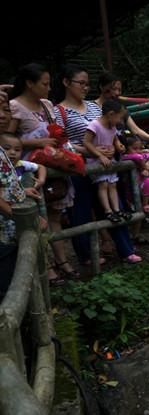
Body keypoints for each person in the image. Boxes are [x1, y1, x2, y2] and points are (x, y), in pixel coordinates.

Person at [54, 64, 141, 265]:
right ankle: (86, 256)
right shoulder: (59, 111)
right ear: (67, 83)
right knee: (81, 211)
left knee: (114, 206)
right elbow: (62, 143)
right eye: (81, 83)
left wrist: (112, 147)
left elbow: (109, 129)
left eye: (87, 84)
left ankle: (126, 250)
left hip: (104, 165)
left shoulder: (95, 107)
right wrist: (91, 150)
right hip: (80, 167)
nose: (85, 88)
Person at [8, 63, 77, 283]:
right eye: (45, 84)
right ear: (30, 84)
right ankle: (45, 268)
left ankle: (62, 261)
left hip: (54, 166)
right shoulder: (15, 106)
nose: (49, 89)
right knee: (37, 218)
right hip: (31, 170)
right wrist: (39, 141)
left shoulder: (47, 105)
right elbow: (7, 141)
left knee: (55, 214)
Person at [1, 91, 46, 296]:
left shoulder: (2, 150)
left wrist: (19, 190)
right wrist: (29, 220)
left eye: (5, 109)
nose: (2, 115)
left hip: (9, 233)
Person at [82, 99, 131, 225]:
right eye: (119, 118)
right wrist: (99, 155)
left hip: (109, 160)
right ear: (111, 114)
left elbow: (114, 139)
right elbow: (86, 142)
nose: (120, 122)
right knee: (103, 184)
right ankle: (108, 211)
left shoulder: (112, 126)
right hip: (96, 160)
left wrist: (118, 145)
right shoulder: (94, 125)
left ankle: (117, 209)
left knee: (112, 184)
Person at [121, 135, 149, 213]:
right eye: (135, 148)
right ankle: (145, 204)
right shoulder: (125, 157)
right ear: (126, 148)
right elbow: (138, 157)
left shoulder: (141, 154)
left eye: (140, 148)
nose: (138, 151)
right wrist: (145, 167)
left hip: (143, 188)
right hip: (133, 190)